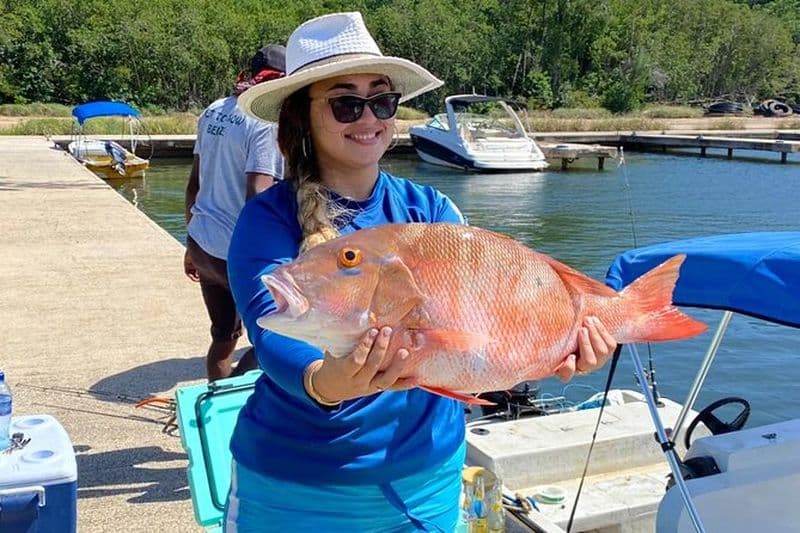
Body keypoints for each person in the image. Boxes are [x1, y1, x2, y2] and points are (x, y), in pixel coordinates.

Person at [225, 12, 617, 532]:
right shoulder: (267, 219)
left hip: (428, 479)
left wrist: (557, 347)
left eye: (382, 101)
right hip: (296, 490)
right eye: (346, 103)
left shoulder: (430, 210)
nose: (368, 117)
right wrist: (327, 381)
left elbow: (485, 328)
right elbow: (272, 333)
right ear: (303, 117)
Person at [184, 44, 286, 382]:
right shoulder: (264, 122)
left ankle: (215, 399)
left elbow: (194, 184)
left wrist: (189, 244)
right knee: (279, 338)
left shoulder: (214, 110)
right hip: (236, 255)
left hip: (202, 243)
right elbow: (258, 195)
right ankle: (233, 391)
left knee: (224, 336)